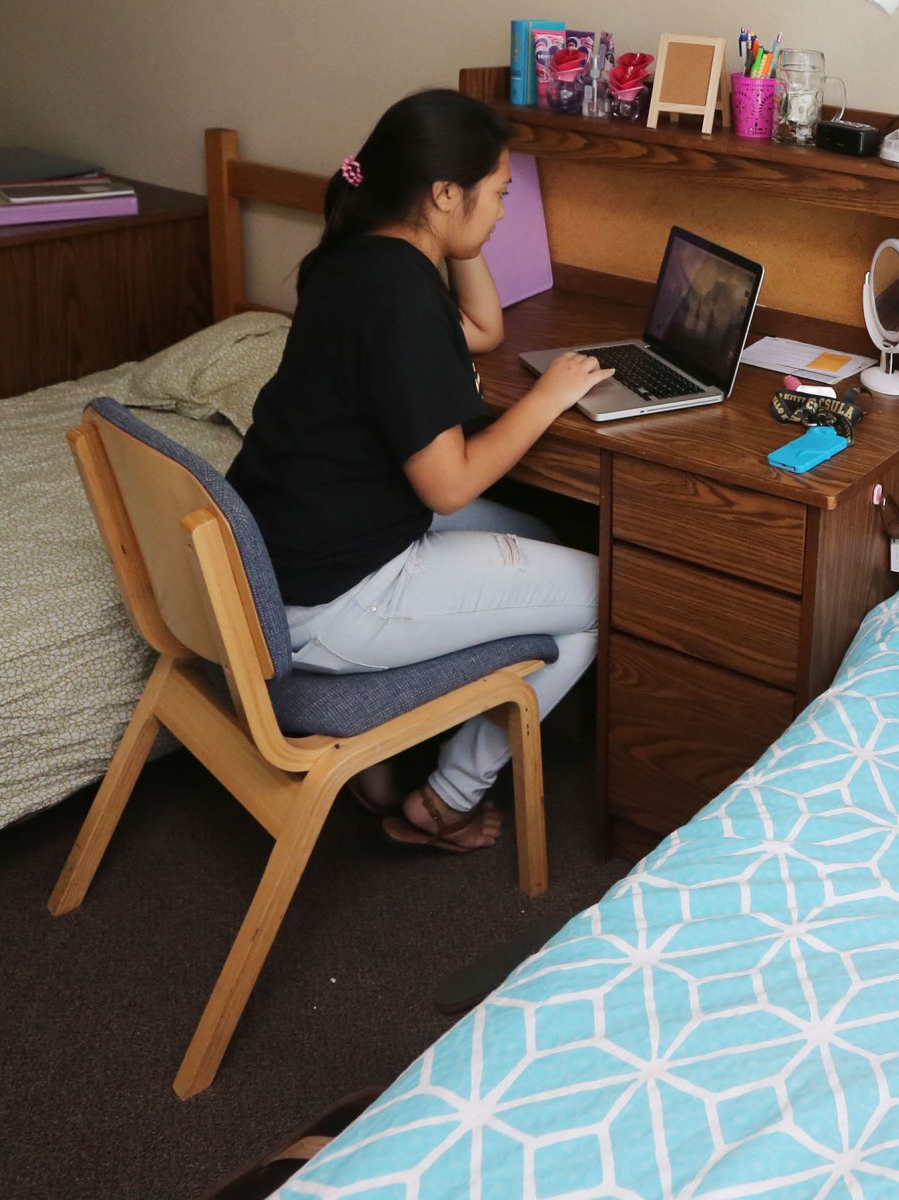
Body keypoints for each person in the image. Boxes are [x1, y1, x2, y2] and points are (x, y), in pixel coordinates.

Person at [227, 89, 614, 852]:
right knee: (610, 592)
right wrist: (548, 396)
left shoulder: (355, 258)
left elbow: (481, 329)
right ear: (442, 193)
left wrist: (460, 241)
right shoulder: (398, 299)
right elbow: (448, 484)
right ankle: (445, 801)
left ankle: (390, 757)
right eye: (497, 194)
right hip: (334, 598)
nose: (504, 212)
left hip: (288, 552)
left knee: (534, 528)